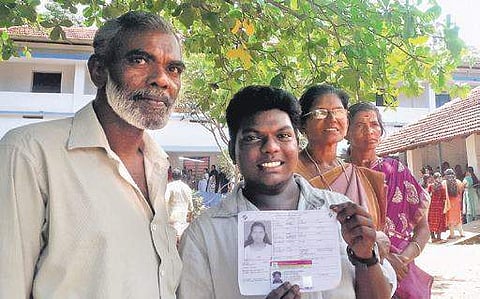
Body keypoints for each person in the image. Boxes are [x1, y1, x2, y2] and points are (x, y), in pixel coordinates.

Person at [0, 11, 185, 298]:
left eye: (174, 69)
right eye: (139, 60)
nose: (162, 80)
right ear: (98, 70)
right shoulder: (30, 153)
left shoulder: (157, 163)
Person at [178, 85, 396, 299]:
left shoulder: (339, 217)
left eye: (283, 136)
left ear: (296, 143)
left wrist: (365, 257)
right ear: (233, 150)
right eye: (253, 137)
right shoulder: (205, 235)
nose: (271, 147)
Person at [347, 102, 432, 298]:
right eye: (360, 125)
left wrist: (402, 259)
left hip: (402, 271)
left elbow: (423, 228)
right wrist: (382, 260)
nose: (369, 131)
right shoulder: (341, 175)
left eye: (375, 124)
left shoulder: (396, 170)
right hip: (356, 269)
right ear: (346, 132)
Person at [295, 84, 386, 229]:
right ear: (302, 124)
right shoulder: (289, 171)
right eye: (321, 113)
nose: (332, 119)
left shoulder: (358, 175)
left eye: (338, 112)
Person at [166, 168, 194, 236]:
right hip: (182, 219)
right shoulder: (187, 188)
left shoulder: (169, 187)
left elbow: (165, 201)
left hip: (171, 219)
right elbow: (191, 207)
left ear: (172, 176)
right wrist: (189, 219)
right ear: (181, 176)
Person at [443, 168, 465, 238]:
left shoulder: (444, 183)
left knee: (450, 218)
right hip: (457, 202)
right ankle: (461, 233)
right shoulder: (458, 181)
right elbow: (461, 190)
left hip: (448, 202)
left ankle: (452, 234)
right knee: (458, 217)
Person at [427, 172, 448, 242]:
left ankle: (433, 237)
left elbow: (428, 196)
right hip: (439, 207)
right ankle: (438, 237)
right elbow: (444, 198)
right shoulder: (442, 187)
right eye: (440, 177)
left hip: (432, 207)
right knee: (439, 221)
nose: (440, 178)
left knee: (431, 221)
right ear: (437, 178)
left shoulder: (431, 186)